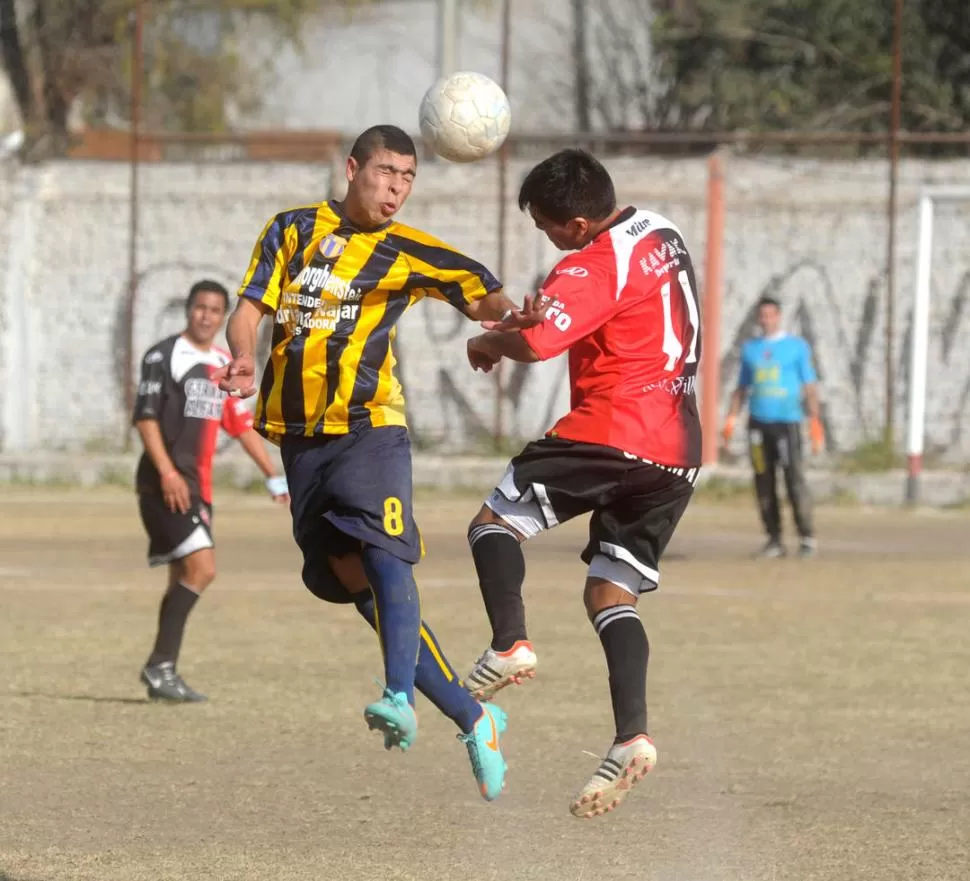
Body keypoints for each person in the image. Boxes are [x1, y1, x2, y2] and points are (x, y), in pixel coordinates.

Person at [215, 125, 521, 801]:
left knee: (386, 555)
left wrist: (515, 318)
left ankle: (396, 695)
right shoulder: (291, 231)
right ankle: (476, 718)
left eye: (408, 177)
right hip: (299, 440)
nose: (396, 188)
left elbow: (482, 295)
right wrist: (241, 355)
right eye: (385, 172)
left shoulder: (410, 250)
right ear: (352, 168)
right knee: (353, 579)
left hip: (369, 428)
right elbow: (249, 310)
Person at [461, 148, 703, 818]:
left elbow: (540, 343)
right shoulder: (659, 232)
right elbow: (564, 318)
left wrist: (488, 342)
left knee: (493, 523)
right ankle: (631, 736)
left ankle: (509, 641)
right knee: (609, 589)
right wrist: (531, 319)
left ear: (571, 222)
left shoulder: (592, 261)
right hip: (677, 448)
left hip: (614, 429)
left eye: (544, 226)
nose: (546, 238)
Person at [133, 279, 290, 703]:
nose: (207, 315)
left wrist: (272, 474)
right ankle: (159, 665)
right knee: (203, 569)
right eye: (200, 307)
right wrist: (166, 473)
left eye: (216, 310)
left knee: (182, 577)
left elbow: (239, 423)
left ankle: (164, 669)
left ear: (224, 318)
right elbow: (146, 418)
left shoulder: (223, 360)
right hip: (164, 484)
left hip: (198, 488)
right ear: (188, 310)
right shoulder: (163, 356)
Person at [720, 296, 823, 559]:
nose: (766, 320)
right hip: (757, 424)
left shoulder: (796, 347)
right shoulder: (751, 350)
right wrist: (731, 420)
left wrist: (815, 422)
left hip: (786, 422)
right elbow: (742, 388)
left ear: (778, 316)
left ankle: (806, 536)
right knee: (763, 482)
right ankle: (774, 539)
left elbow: (809, 386)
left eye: (771, 315)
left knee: (793, 479)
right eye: (762, 315)